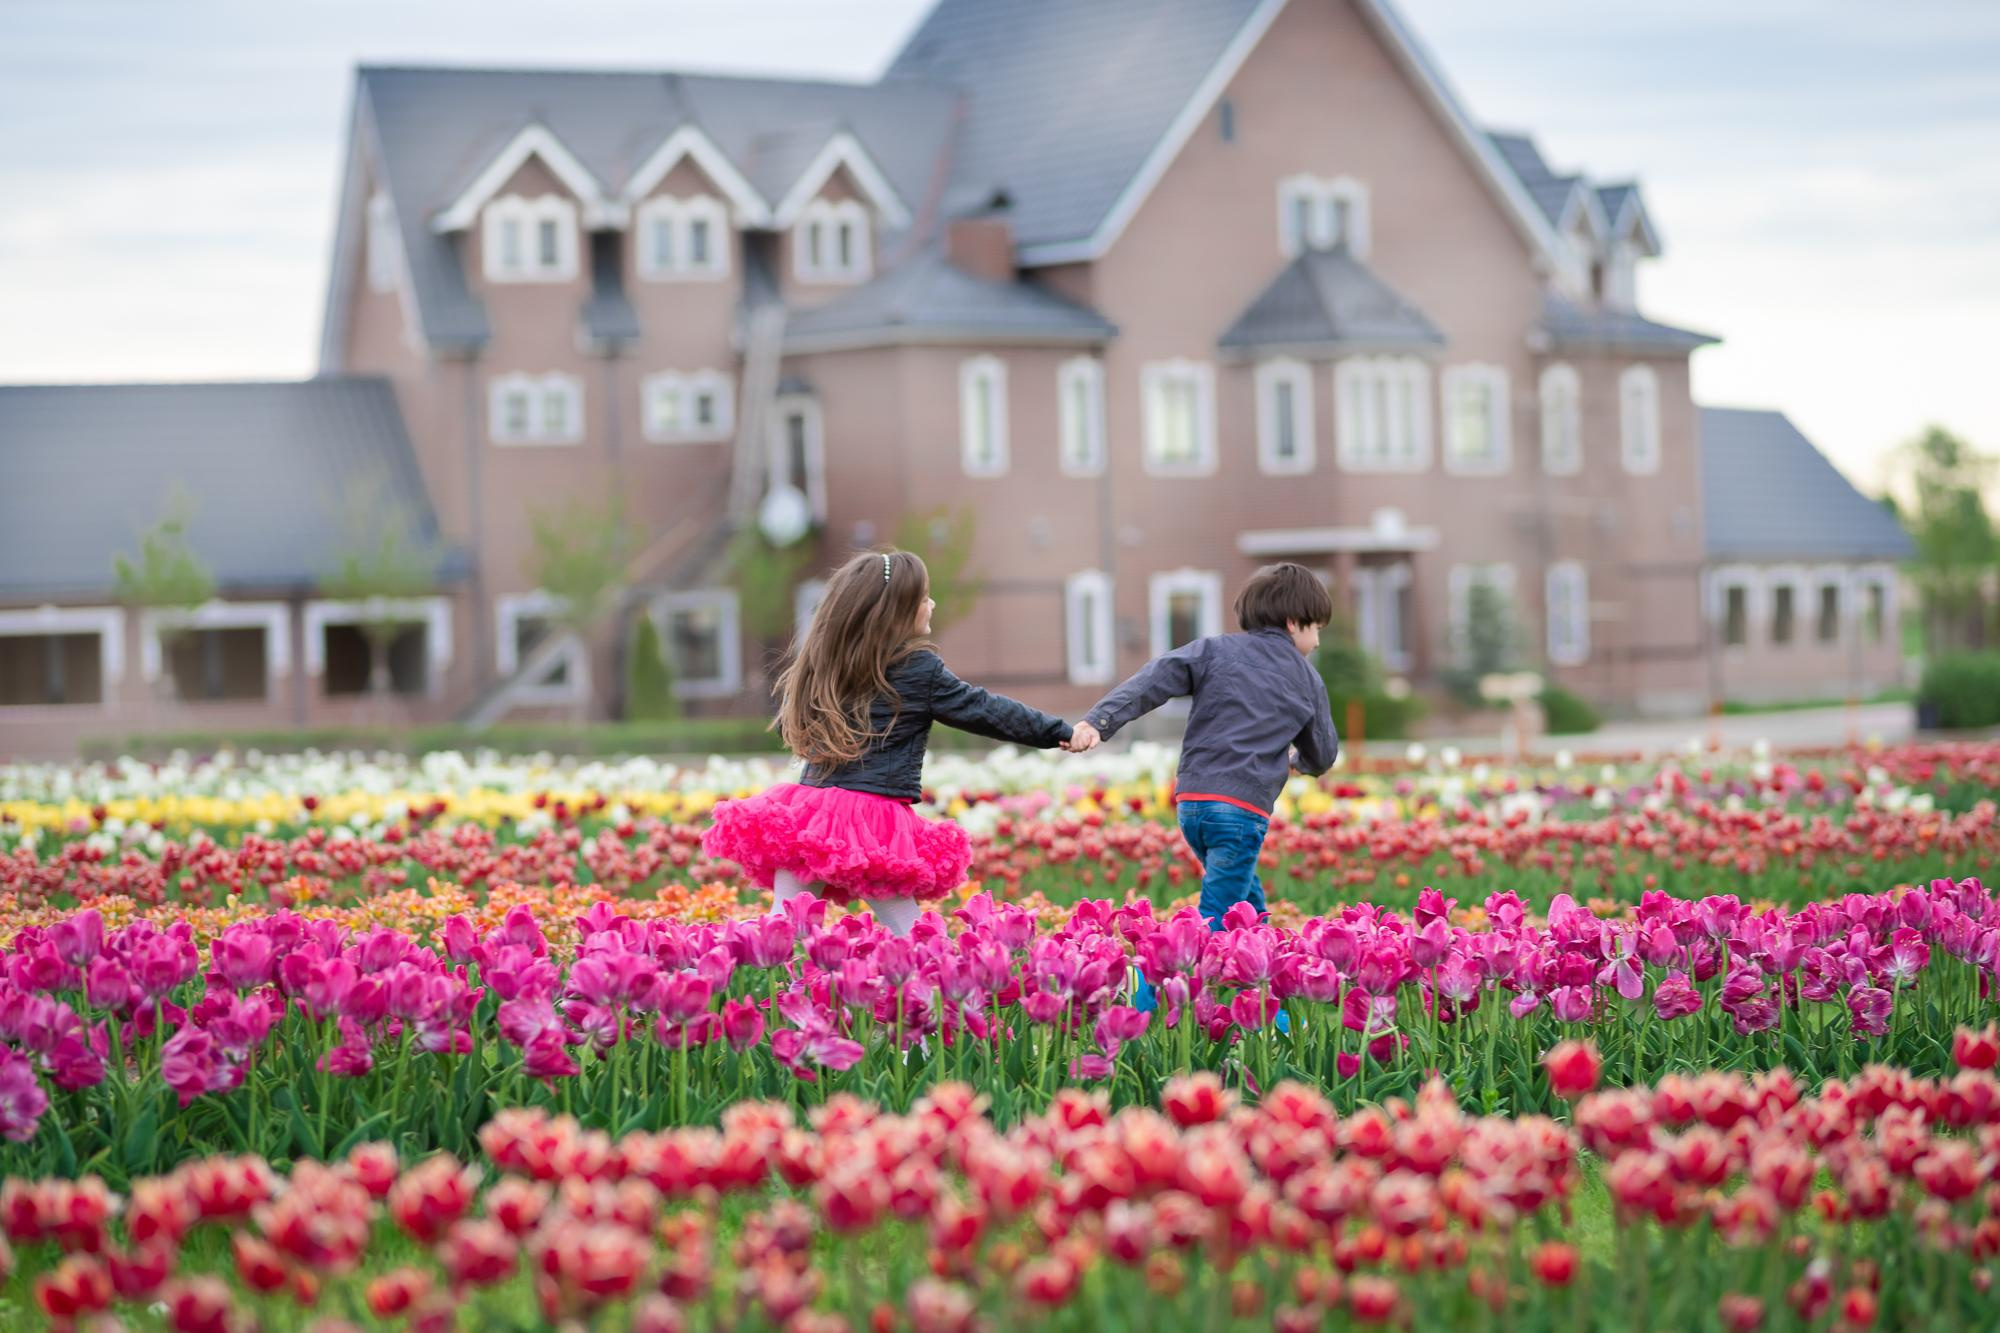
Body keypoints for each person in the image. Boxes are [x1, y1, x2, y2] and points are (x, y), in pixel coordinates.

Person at [703, 549, 1084, 936]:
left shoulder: (825, 663)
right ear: (898, 612)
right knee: (910, 933)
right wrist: (1059, 731)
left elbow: (792, 728)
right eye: (923, 599)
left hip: (808, 811)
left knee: (784, 924)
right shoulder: (918, 670)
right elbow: (986, 710)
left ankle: (704, 963)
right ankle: (938, 991)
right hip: (873, 821)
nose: (931, 605)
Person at [1069, 563, 1339, 1008]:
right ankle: (1146, 992)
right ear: (1294, 623)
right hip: (1241, 811)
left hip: (1193, 803)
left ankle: (1272, 1009)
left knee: (1248, 913)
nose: (1316, 642)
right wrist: (1299, 759)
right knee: (1213, 925)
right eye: (1316, 630)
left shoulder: (1213, 650)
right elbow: (1324, 753)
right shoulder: (1307, 678)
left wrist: (1100, 720)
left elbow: (1152, 680)